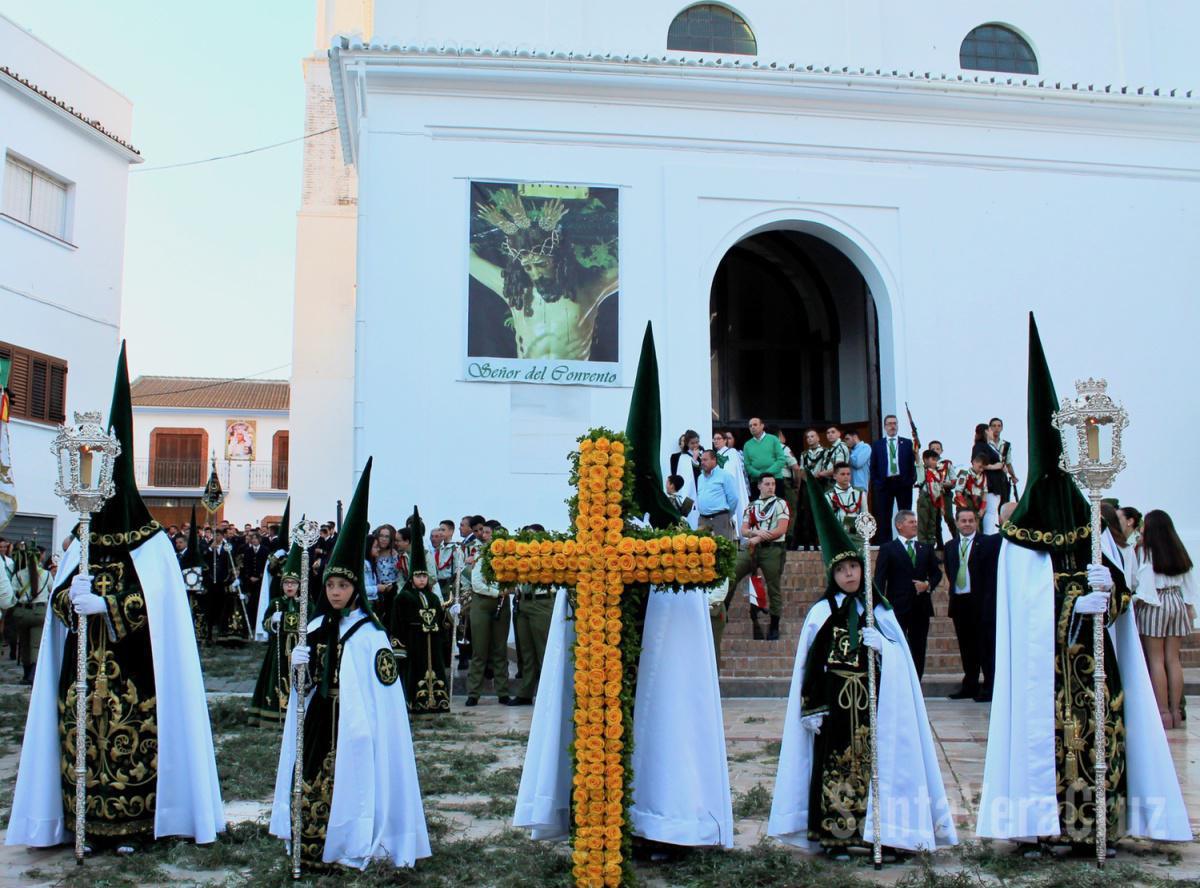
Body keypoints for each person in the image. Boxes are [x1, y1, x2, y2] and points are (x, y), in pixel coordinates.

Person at [977, 315, 1191, 852]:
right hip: (1044, 673)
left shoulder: (1091, 529)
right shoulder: (1020, 544)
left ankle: (1099, 826)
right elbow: (1022, 610)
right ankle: (1040, 824)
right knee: (1046, 748)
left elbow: (1121, 594)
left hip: (1096, 670)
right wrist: (1070, 595)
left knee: (1104, 742)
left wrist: (1109, 591)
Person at [6, 344, 224, 853]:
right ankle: (78, 821)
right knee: (77, 739)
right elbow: (59, 599)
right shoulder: (81, 538)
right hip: (80, 672)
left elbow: (166, 610)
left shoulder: (150, 545)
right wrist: (68, 599)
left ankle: (132, 827)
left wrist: (113, 605)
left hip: (134, 667)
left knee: (133, 744)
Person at [768, 475, 956, 857]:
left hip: (874, 709)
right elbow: (811, 665)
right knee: (833, 770)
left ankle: (881, 834)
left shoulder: (879, 613)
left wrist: (884, 647)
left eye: (854, 568)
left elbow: (901, 662)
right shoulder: (821, 614)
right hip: (834, 708)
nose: (850, 575)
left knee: (875, 773)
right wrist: (811, 707)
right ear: (832, 575)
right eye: (842, 571)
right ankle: (836, 837)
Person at [270, 458, 431, 870]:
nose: (336, 592)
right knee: (310, 777)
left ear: (355, 588)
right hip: (321, 717)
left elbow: (382, 689)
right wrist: (297, 662)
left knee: (353, 781)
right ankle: (311, 842)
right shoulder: (318, 625)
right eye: (331, 585)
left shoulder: (371, 635)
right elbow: (302, 682)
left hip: (356, 723)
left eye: (343, 585)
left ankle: (353, 840)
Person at [1133, 510, 1197, 730]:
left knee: (1156, 660)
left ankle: (1162, 712)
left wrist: (1136, 602)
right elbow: (1189, 583)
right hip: (1177, 600)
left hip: (1156, 602)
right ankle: (1175, 711)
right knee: (1173, 660)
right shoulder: (1179, 550)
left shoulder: (1147, 551)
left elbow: (1145, 585)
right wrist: (1189, 606)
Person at [874, 510, 942, 679]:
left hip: (920, 607)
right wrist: (880, 606)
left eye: (915, 521)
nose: (915, 525)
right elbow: (880, 579)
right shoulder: (888, 549)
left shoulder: (925, 548)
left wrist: (927, 585)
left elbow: (936, 573)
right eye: (911, 522)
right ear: (899, 525)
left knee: (919, 646)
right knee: (895, 646)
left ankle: (916, 682)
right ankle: (896, 680)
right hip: (897, 607)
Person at [943, 506, 1000, 701]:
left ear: (976, 522)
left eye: (970, 520)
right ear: (957, 523)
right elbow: (951, 571)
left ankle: (990, 686)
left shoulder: (987, 543)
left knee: (985, 647)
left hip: (981, 603)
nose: (967, 524)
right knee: (966, 648)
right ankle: (970, 685)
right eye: (963, 520)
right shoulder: (950, 545)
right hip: (960, 602)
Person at [728, 474, 790, 640]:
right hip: (753, 550)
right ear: (759, 486)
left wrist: (758, 538)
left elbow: (781, 529)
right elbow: (744, 529)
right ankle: (722, 612)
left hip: (772, 549)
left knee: (773, 587)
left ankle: (774, 625)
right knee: (732, 574)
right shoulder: (752, 506)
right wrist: (754, 532)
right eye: (767, 484)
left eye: (773, 484)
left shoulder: (780, 504)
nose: (771, 487)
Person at [249, 541, 304, 726]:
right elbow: (265, 624)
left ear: (299, 586)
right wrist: (272, 621)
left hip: (298, 647)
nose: (290, 587)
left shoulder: (305, 604)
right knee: (276, 676)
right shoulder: (275, 603)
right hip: (279, 648)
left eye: (293, 584)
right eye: (287, 583)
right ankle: (274, 712)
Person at [466, 522, 511, 706]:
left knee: (500, 649)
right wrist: (496, 592)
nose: (485, 536)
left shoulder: (508, 556)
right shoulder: (481, 554)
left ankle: (503, 692)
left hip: (502, 603)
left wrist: (507, 590)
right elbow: (477, 583)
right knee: (480, 649)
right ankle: (473, 693)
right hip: (483, 603)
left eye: (488, 533)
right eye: (484, 533)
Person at [2, 544, 53, 684]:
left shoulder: (19, 574)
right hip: (39, 612)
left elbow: (12, 592)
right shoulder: (46, 574)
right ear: (39, 558)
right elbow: (52, 590)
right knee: (36, 645)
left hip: (22, 612)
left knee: (23, 644)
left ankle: (25, 674)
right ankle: (33, 675)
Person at [869, 415, 916, 544]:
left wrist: (910, 481)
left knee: (905, 514)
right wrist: (877, 483)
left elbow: (913, 464)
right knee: (884, 516)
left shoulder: (906, 443)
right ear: (884, 427)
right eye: (889, 423)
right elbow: (873, 466)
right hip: (885, 484)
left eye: (895, 423)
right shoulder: (878, 445)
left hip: (903, 483)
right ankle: (886, 544)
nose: (892, 426)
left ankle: (907, 541)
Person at [206, 527, 248, 642]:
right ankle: (209, 634)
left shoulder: (227, 547)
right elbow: (204, 557)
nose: (216, 538)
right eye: (215, 536)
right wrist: (210, 549)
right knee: (210, 608)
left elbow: (232, 562)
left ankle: (222, 633)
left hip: (223, 581)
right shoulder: (208, 547)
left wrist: (233, 577)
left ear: (222, 536)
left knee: (222, 608)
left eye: (218, 536)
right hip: (211, 581)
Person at [696, 449, 739, 542]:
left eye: (705, 460)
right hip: (703, 519)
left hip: (720, 518)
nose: (702, 462)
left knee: (722, 549)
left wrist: (727, 514)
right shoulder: (700, 477)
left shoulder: (725, 475)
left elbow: (734, 498)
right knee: (703, 552)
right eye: (701, 460)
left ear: (714, 460)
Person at [795, 429, 826, 551]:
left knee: (820, 514)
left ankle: (819, 541)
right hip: (807, 485)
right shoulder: (804, 454)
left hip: (820, 484)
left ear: (818, 438)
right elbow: (801, 470)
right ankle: (807, 541)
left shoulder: (825, 452)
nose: (810, 439)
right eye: (808, 437)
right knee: (807, 513)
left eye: (812, 436)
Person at [742, 417, 786, 502]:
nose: (752, 427)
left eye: (755, 425)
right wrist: (760, 475)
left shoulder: (773, 439)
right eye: (750, 426)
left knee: (777, 508)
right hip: (756, 482)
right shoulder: (747, 445)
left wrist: (767, 474)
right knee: (758, 510)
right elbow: (747, 465)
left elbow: (781, 460)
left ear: (762, 426)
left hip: (775, 480)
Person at [977, 420, 1008, 533]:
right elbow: (978, 463)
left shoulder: (990, 446)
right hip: (989, 482)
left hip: (998, 482)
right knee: (990, 511)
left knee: (994, 511)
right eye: (990, 428)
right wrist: (996, 466)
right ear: (986, 431)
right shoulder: (980, 446)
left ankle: (992, 533)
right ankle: (988, 535)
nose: (993, 431)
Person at [915, 449, 950, 548]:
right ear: (925, 460)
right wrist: (917, 451)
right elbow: (918, 460)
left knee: (932, 524)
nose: (935, 462)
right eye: (933, 459)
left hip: (935, 500)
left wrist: (942, 506)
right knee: (923, 523)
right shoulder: (923, 470)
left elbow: (939, 489)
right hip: (925, 498)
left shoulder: (938, 473)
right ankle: (923, 547)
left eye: (936, 460)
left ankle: (930, 548)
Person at [239, 530, 269, 634]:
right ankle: (250, 623)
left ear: (259, 540)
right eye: (253, 539)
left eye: (256, 539)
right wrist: (249, 576)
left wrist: (259, 576)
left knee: (258, 601)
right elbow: (246, 565)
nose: (254, 540)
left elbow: (266, 565)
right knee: (250, 602)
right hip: (250, 580)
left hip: (260, 580)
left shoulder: (265, 550)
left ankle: (258, 622)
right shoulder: (248, 550)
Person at [825, 462, 866, 538]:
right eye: (842, 474)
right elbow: (826, 521)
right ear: (834, 476)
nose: (846, 477)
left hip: (856, 535)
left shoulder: (860, 493)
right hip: (837, 535)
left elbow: (865, 516)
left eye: (848, 474)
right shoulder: (828, 496)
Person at [953, 452, 988, 518]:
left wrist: (982, 509)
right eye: (979, 466)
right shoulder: (965, 475)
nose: (981, 469)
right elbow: (958, 492)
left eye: (983, 467)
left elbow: (985, 494)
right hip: (966, 502)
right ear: (973, 462)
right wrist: (965, 507)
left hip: (977, 503)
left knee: (978, 526)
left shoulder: (984, 477)